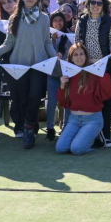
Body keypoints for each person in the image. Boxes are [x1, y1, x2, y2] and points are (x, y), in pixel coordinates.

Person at [0, 0, 57, 149]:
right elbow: (8, 44)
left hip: (39, 65)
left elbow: (46, 42)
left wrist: (56, 58)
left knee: (34, 97)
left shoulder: (45, 18)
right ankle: (27, 127)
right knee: (22, 99)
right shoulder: (14, 18)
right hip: (18, 65)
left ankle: (29, 129)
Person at [74, 0, 111, 148]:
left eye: (99, 3)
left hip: (104, 66)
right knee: (90, 103)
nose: (96, 6)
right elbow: (77, 41)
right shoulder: (82, 21)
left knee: (106, 101)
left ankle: (105, 135)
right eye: (93, 2)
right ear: (88, 4)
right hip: (86, 67)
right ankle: (91, 135)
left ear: (103, 6)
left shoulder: (108, 21)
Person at [56, 43, 111, 155]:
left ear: (86, 56)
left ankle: (97, 135)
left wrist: (103, 75)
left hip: (92, 119)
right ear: (71, 58)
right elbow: (63, 102)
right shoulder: (68, 75)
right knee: (61, 148)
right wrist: (62, 86)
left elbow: (108, 93)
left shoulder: (94, 72)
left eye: (81, 54)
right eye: (75, 55)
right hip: (73, 120)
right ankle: (84, 136)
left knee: (76, 149)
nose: (79, 57)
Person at [46, 11, 73, 140]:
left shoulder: (69, 36)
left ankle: (66, 127)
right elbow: (46, 53)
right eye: (55, 20)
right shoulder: (47, 36)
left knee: (67, 103)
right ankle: (50, 128)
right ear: (51, 22)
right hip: (52, 75)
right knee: (51, 102)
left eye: (60, 20)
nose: (58, 22)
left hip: (67, 76)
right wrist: (52, 40)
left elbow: (71, 53)